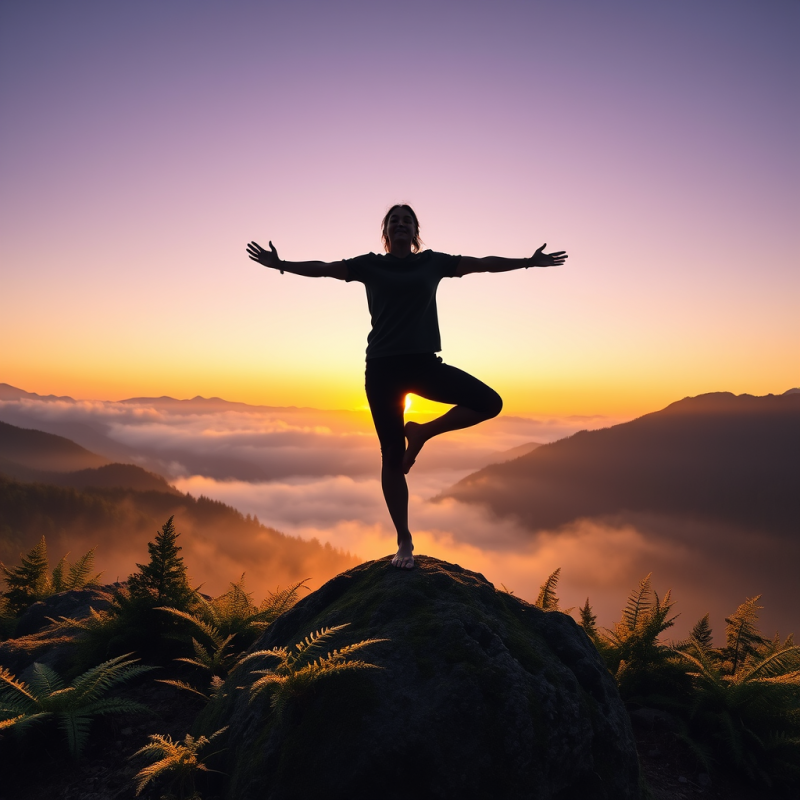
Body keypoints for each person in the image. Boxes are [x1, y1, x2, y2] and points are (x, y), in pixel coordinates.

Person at [246, 204, 567, 570]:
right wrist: (280, 264)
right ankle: (404, 539)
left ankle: (423, 431)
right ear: (386, 232)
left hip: (423, 365)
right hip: (382, 370)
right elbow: (324, 269)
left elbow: (482, 263)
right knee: (391, 455)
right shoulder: (369, 265)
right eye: (394, 221)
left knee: (489, 403)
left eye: (407, 220)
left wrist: (528, 262)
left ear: (416, 231)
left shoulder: (433, 262)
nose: (400, 224)